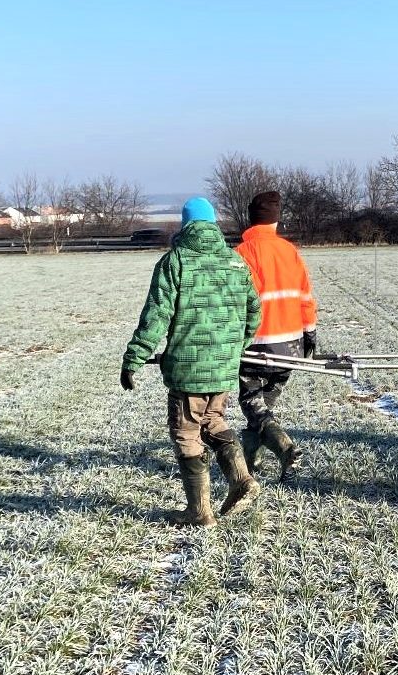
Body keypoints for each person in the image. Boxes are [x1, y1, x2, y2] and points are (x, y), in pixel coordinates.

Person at [120, 197, 261, 527]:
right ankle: (242, 478)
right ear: (213, 224)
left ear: (185, 226)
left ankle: (200, 511)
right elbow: (254, 312)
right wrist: (234, 347)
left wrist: (134, 359)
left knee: (186, 432)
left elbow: (156, 316)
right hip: (225, 366)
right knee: (213, 420)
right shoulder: (236, 263)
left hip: (188, 369)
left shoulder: (175, 262)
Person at [235, 190, 318, 481]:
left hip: (256, 346)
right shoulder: (290, 251)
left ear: (251, 219)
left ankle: (284, 447)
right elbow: (305, 296)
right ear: (275, 221)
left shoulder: (242, 254)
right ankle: (249, 461)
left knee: (252, 403)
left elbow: (236, 304)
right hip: (291, 348)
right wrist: (310, 332)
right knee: (263, 405)